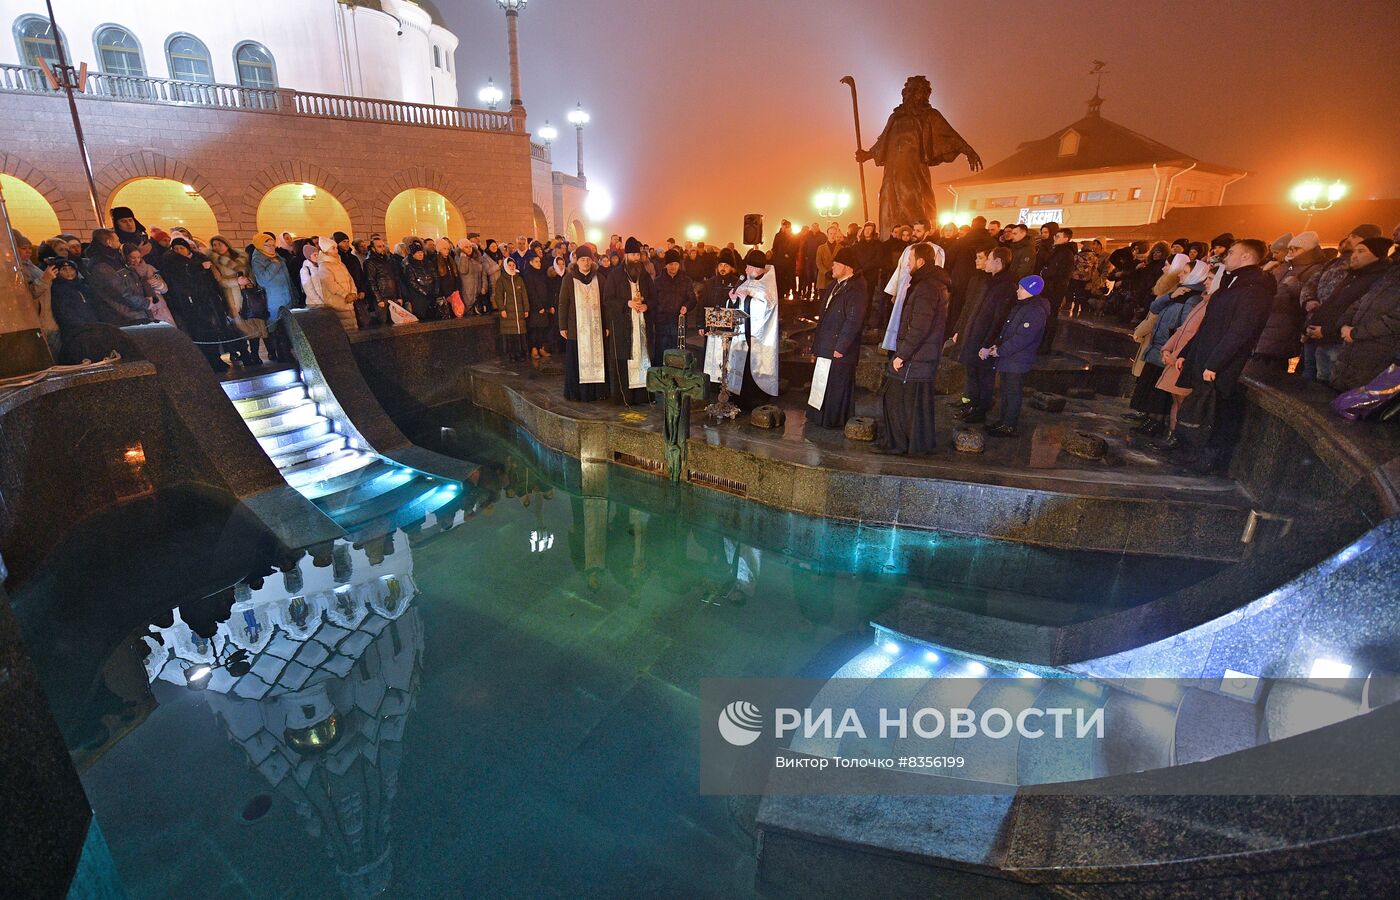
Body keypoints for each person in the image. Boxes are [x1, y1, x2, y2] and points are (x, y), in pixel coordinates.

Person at [1170, 239, 1275, 473]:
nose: (1226, 256)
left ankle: (1207, 459)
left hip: (1221, 364)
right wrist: (1188, 352)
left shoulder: (1255, 289)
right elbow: (1208, 325)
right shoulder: (1233, 285)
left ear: (1247, 257)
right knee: (1200, 407)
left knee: (1214, 413)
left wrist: (1215, 363)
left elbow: (1240, 331)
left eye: (1232, 252)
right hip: (1205, 356)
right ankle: (1191, 452)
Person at [854, 74, 981, 233]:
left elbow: (949, 134)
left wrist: (968, 150)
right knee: (888, 201)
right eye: (908, 91)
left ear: (923, 95)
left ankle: (918, 235)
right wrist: (868, 154)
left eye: (916, 91)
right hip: (892, 170)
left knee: (913, 199)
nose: (911, 94)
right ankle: (889, 238)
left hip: (913, 168)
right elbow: (883, 142)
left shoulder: (929, 115)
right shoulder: (895, 117)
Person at [873, 243, 950, 454]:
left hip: (915, 359)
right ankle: (915, 444)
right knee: (915, 404)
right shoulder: (932, 284)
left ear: (921, 261)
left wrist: (901, 356)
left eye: (910, 258)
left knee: (896, 399)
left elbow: (919, 326)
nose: (906, 263)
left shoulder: (926, 288)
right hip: (922, 358)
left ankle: (898, 444)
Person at [1305, 236, 1390, 384]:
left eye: (1361, 251)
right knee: (1317, 385)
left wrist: (1327, 331)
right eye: (1354, 251)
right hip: (1324, 339)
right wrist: (1308, 328)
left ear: (1377, 255)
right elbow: (1330, 305)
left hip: (1340, 344)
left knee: (1330, 389)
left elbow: (1355, 312)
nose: (1354, 255)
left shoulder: (1378, 281)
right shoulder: (1353, 276)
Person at [703, 248, 780, 410]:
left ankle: (754, 401)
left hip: (756, 337)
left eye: (748, 267)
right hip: (742, 334)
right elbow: (738, 306)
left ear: (756, 268)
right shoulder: (748, 281)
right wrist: (733, 300)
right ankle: (739, 399)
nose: (745, 270)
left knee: (751, 370)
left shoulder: (766, 285)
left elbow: (765, 308)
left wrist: (746, 299)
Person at [805, 246, 869, 429]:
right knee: (822, 382)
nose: (832, 267)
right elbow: (824, 316)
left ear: (848, 267)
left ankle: (833, 420)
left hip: (839, 348)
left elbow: (853, 320)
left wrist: (841, 346)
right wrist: (817, 345)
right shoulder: (835, 285)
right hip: (826, 344)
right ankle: (819, 417)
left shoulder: (856, 289)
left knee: (837, 385)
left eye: (836, 264)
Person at [954, 247, 1017, 423]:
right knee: (973, 373)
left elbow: (999, 319)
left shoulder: (1005, 287)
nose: (986, 262)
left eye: (989, 259)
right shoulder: (990, 282)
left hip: (984, 339)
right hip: (975, 335)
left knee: (984, 376)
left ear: (998, 262)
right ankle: (972, 405)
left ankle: (980, 409)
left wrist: (988, 343)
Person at [982, 275, 1049, 436]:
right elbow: (1008, 331)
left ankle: (1009, 425)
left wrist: (1000, 350)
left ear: (1031, 290)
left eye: (1021, 288)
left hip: (1018, 359)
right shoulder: (1022, 307)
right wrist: (996, 345)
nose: (1017, 291)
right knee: (1006, 391)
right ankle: (1003, 421)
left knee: (1012, 392)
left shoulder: (1034, 311)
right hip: (1010, 358)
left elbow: (1022, 338)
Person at [160, 237, 235, 371]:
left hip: (209, 300)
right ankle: (209, 362)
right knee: (201, 333)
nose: (178, 251)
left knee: (213, 331)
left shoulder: (199, 258)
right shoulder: (173, 263)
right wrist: (199, 268)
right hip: (191, 303)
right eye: (175, 249)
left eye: (181, 248)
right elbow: (182, 280)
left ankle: (217, 359)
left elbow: (211, 280)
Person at [1252, 231, 1325, 370]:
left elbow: (1311, 296)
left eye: (1296, 249)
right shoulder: (1284, 267)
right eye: (1290, 248)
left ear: (1308, 250)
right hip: (1267, 323)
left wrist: (1295, 286)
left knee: (1271, 369)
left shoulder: (1314, 269)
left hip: (1286, 326)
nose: (1291, 252)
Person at [1333, 253, 1400, 391]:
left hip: (1379, 352)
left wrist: (1355, 333)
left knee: (1360, 399)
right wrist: (1344, 324)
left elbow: (1395, 320)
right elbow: (1361, 302)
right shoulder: (1390, 275)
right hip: (1354, 347)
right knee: (1339, 393)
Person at [602, 237, 656, 406]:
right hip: (623, 327)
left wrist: (647, 306)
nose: (635, 258)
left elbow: (655, 298)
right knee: (625, 360)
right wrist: (627, 303)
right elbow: (608, 299)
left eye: (637, 255)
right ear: (625, 255)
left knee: (643, 358)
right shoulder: (615, 274)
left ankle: (644, 396)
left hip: (642, 325)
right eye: (632, 254)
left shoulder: (645, 275)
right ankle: (625, 397)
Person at [557, 246, 609, 402]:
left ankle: (597, 392)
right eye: (582, 259)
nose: (585, 262)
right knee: (576, 361)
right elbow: (563, 303)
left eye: (588, 259)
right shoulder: (568, 278)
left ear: (592, 261)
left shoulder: (599, 278)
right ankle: (577, 393)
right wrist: (562, 326)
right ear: (576, 261)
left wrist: (607, 325)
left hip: (595, 328)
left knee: (597, 359)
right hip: (576, 329)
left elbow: (605, 304)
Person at [209, 235, 266, 364]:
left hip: (248, 293)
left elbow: (250, 272)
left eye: (219, 243)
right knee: (240, 327)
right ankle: (245, 355)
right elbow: (219, 281)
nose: (216, 247)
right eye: (214, 245)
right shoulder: (215, 262)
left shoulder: (242, 257)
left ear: (226, 243)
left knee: (254, 324)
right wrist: (236, 281)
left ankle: (256, 355)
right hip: (232, 296)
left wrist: (250, 282)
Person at [81, 228, 154, 326]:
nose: (120, 244)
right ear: (109, 242)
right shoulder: (102, 265)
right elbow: (120, 292)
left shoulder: (114, 259)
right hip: (125, 315)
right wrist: (144, 303)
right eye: (117, 241)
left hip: (135, 311)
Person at [250, 233, 294, 362]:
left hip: (286, 298)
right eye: (267, 245)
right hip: (273, 300)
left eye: (272, 245)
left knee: (288, 328)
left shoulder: (277, 257)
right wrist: (274, 264)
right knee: (276, 328)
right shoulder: (258, 260)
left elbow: (287, 279)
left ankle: (289, 353)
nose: (271, 248)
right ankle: (282, 356)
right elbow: (263, 280)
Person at [651, 247, 693, 362]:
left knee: (677, 354)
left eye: (675, 264)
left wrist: (686, 306)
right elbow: (653, 301)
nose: (673, 266)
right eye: (670, 264)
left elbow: (692, 299)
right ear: (666, 265)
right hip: (662, 323)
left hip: (678, 322)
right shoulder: (658, 281)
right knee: (661, 353)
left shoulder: (686, 280)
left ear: (679, 265)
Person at [310, 235, 359, 332]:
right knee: (343, 331)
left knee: (353, 329)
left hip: (349, 302)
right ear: (326, 250)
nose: (336, 251)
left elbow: (350, 278)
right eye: (333, 248)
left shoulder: (340, 263)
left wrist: (353, 292)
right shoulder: (324, 266)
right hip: (338, 303)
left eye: (336, 248)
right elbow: (330, 284)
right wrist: (345, 294)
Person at [522, 252, 554, 359]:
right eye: (536, 261)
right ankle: (534, 349)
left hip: (544, 306)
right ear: (530, 263)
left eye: (539, 261)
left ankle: (540, 347)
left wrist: (547, 305)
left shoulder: (541, 273)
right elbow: (531, 292)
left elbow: (547, 289)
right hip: (535, 308)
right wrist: (539, 306)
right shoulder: (528, 275)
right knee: (534, 329)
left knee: (542, 329)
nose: (539, 263)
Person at [362, 237, 400, 326]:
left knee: (395, 321)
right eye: (379, 246)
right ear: (372, 248)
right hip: (381, 298)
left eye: (383, 246)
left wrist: (399, 296)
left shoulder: (389, 260)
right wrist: (378, 299)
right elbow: (371, 281)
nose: (382, 248)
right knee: (383, 323)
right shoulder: (370, 262)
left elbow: (396, 278)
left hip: (392, 296)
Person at [400, 240, 438, 320]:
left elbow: (435, 277)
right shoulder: (409, 266)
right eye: (417, 253)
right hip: (419, 296)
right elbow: (412, 282)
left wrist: (435, 290)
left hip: (431, 292)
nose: (420, 254)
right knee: (421, 316)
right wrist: (425, 292)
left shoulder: (428, 263)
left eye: (421, 252)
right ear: (413, 254)